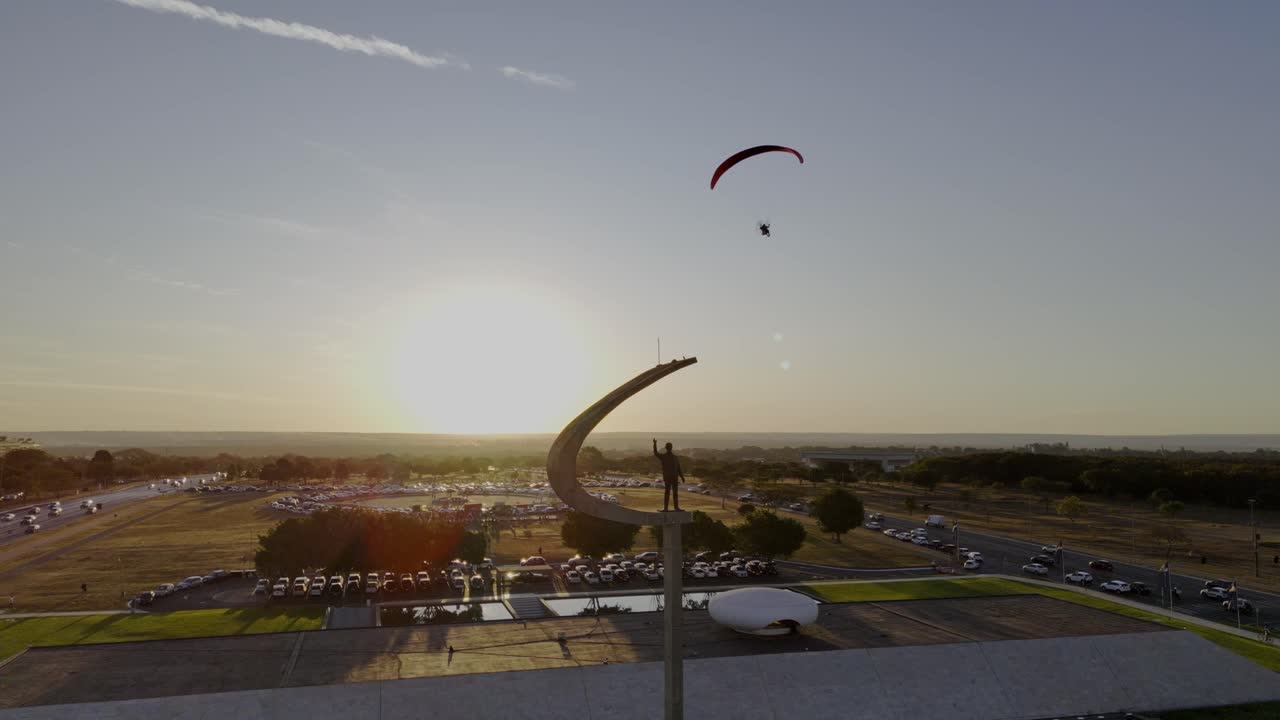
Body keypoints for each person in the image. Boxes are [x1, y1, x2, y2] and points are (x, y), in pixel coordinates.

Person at [653, 439, 685, 512]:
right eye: (669, 447)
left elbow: (678, 468)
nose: (670, 448)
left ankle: (675, 508)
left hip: (673, 477)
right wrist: (655, 444)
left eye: (670, 446)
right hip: (669, 477)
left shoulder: (674, 457)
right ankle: (666, 508)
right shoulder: (665, 457)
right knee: (668, 493)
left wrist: (682, 477)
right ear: (668, 448)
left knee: (674, 493)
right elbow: (655, 453)